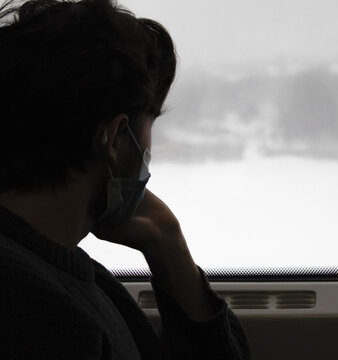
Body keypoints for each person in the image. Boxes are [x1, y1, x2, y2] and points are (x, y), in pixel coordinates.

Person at [0, 0, 250, 358]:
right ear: (115, 139)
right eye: (149, 128)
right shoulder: (38, 313)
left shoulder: (72, 271)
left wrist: (167, 241)